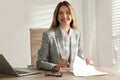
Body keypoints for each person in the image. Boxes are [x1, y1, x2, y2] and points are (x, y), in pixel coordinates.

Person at [37, 1, 93, 72]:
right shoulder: (48, 35)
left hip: (73, 76)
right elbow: (40, 62)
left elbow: (80, 59)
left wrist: (86, 62)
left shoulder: (77, 35)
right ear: (56, 16)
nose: (64, 16)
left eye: (68, 12)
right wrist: (56, 66)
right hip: (55, 77)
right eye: (60, 13)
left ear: (72, 16)